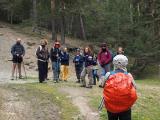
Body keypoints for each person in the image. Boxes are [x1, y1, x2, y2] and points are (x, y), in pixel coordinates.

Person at [102, 55, 137, 120]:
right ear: (126, 63)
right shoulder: (129, 75)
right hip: (126, 106)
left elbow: (102, 85)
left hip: (111, 105)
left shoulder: (108, 74)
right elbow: (135, 87)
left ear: (114, 62)